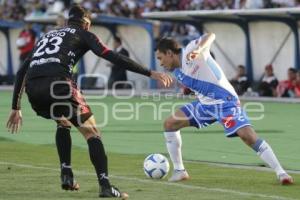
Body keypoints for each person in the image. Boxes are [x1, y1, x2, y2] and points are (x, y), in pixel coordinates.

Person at [6, 4, 172, 199]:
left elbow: (21, 72)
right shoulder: (83, 33)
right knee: (92, 132)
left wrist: (16, 107)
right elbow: (111, 55)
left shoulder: (46, 37)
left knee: (63, 121)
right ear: (86, 23)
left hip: (34, 90)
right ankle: (105, 186)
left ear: (68, 20)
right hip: (59, 85)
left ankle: (66, 173)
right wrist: (150, 72)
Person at [155, 33, 293, 185]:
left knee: (247, 136)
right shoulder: (175, 71)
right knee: (170, 123)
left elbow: (210, 35)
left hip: (225, 102)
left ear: (169, 53)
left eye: (160, 58)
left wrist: (199, 48)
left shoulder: (189, 51)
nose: (160, 63)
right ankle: (179, 171)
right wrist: (189, 90)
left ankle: (281, 173)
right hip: (205, 105)